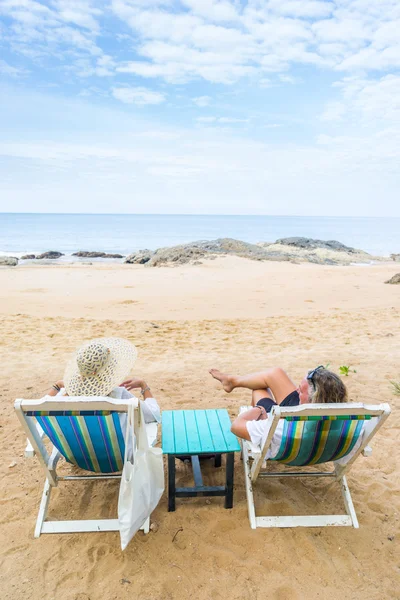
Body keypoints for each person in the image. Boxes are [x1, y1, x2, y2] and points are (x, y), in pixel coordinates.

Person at [209, 365, 347, 447]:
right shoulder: (349, 419)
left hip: (288, 423)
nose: (296, 390)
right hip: (306, 420)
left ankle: (232, 381)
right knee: (276, 373)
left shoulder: (282, 428)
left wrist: (259, 409)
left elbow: (236, 427)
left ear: (314, 399)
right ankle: (232, 381)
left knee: (259, 389)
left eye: (301, 390)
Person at [45, 337, 160, 430]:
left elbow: (43, 407)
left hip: (78, 455)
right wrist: (143, 385)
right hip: (118, 456)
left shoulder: (65, 399)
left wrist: (57, 385)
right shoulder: (119, 395)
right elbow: (153, 414)